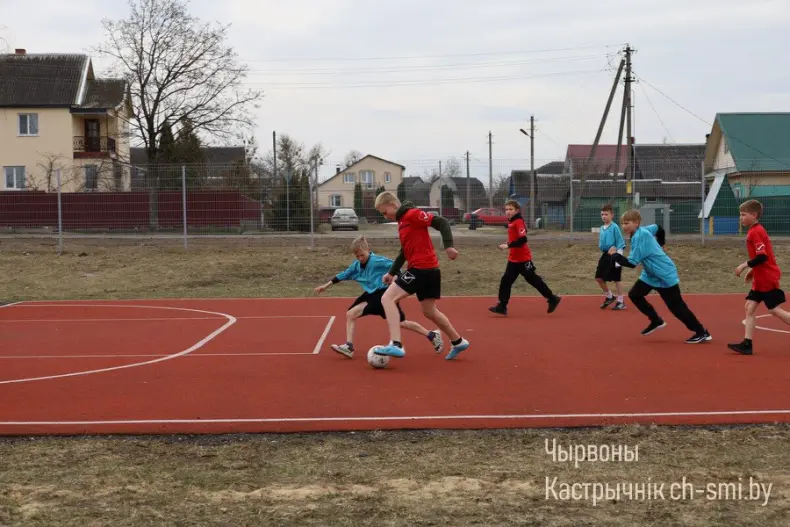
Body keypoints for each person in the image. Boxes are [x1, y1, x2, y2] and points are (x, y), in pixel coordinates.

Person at [372, 192, 470, 360]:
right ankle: (458, 341)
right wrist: (391, 272)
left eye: (384, 212)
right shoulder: (402, 222)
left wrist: (448, 247)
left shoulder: (412, 214)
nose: (384, 216)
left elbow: (442, 222)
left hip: (422, 268)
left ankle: (395, 344)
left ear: (393, 205)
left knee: (387, 299)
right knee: (429, 311)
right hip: (428, 270)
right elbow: (404, 251)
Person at [314, 235, 444, 358]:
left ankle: (349, 347)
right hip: (371, 295)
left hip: (383, 294)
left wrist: (396, 278)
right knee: (398, 322)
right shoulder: (356, 265)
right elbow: (343, 275)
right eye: (357, 256)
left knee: (355, 315)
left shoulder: (377, 261)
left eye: (362, 255)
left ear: (368, 250)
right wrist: (325, 286)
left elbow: (395, 266)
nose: (360, 258)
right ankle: (432, 335)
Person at [608, 209, 712, 343]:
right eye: (622, 223)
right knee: (635, 294)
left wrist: (614, 255)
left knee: (677, 307)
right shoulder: (642, 230)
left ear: (637, 223)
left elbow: (632, 263)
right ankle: (656, 320)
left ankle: (701, 332)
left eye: (627, 223)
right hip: (650, 274)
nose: (624, 226)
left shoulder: (641, 236)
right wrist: (662, 243)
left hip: (664, 274)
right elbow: (659, 228)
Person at [728, 200, 790, 355]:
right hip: (761, 277)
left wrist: (745, 265)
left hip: (767, 278)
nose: (740, 218)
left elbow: (762, 257)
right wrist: (753, 271)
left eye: (743, 215)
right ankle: (747, 344)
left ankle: (747, 344)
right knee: (749, 307)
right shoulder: (754, 230)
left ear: (754, 215)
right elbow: (761, 257)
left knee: (774, 310)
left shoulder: (756, 232)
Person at [488, 199, 561, 315]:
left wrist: (508, 245)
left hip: (523, 259)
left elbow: (523, 239)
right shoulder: (512, 221)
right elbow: (520, 234)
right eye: (506, 209)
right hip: (513, 259)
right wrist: (509, 243)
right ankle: (502, 306)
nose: (508, 212)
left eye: (511, 209)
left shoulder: (517, 221)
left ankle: (552, 299)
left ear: (517, 210)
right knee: (506, 281)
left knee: (533, 280)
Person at [595, 203, 627, 310]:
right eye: (602, 214)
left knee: (616, 279)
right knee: (598, 277)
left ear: (612, 215)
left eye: (606, 214)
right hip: (605, 255)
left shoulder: (615, 227)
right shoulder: (602, 228)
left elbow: (620, 243)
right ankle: (609, 296)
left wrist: (618, 260)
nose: (604, 216)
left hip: (615, 256)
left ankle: (621, 301)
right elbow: (601, 245)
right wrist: (605, 249)